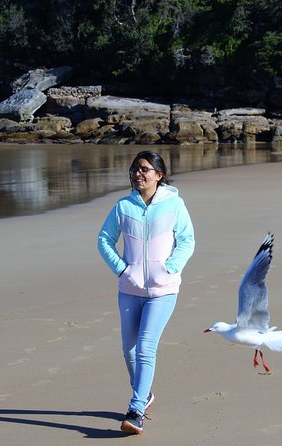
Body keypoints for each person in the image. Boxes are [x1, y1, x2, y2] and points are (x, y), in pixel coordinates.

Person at [97, 151, 195, 434]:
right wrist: (121, 269)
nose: (138, 174)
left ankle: (136, 408)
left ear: (159, 175)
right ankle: (145, 393)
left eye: (144, 170)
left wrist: (171, 267)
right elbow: (104, 239)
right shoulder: (123, 206)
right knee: (128, 349)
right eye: (134, 170)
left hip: (163, 290)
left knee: (146, 348)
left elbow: (187, 240)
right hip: (129, 288)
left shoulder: (174, 205)